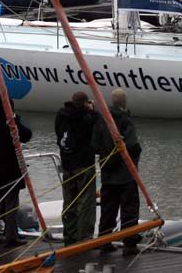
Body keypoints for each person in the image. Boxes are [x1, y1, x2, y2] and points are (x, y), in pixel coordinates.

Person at [92, 89, 142, 255]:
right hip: (126, 174)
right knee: (129, 209)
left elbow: (95, 144)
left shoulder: (101, 120)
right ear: (124, 103)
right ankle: (129, 243)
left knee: (108, 209)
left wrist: (107, 157)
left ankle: (104, 242)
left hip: (107, 174)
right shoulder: (126, 121)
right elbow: (133, 145)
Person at [0, 92, 32, 247]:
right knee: (11, 203)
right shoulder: (10, 122)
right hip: (10, 166)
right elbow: (26, 135)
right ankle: (11, 236)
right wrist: (16, 119)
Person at [55, 91, 98, 246]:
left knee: (69, 203)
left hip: (67, 165)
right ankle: (84, 239)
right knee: (85, 203)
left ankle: (70, 236)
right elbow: (95, 123)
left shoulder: (61, 115)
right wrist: (91, 110)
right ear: (85, 103)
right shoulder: (86, 117)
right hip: (84, 165)